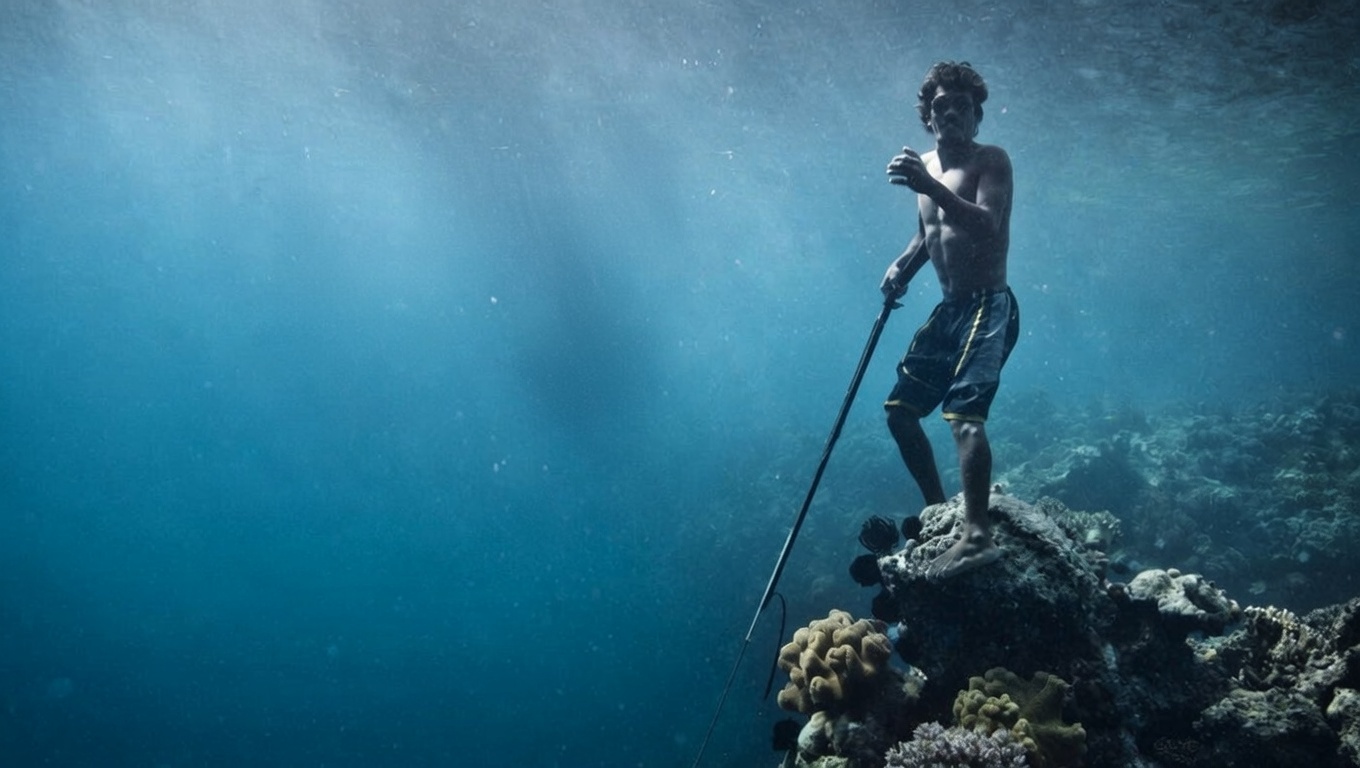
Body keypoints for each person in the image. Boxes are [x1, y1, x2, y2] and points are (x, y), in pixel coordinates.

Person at [880, 61, 1020, 580]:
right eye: (942, 106)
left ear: (977, 116)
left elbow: (986, 225)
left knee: (964, 416)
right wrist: (901, 267)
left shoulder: (991, 160)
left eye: (963, 106)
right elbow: (928, 235)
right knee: (900, 413)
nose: (952, 114)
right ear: (928, 116)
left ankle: (978, 535)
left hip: (988, 304)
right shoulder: (926, 169)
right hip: (950, 308)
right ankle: (940, 511)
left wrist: (929, 185)